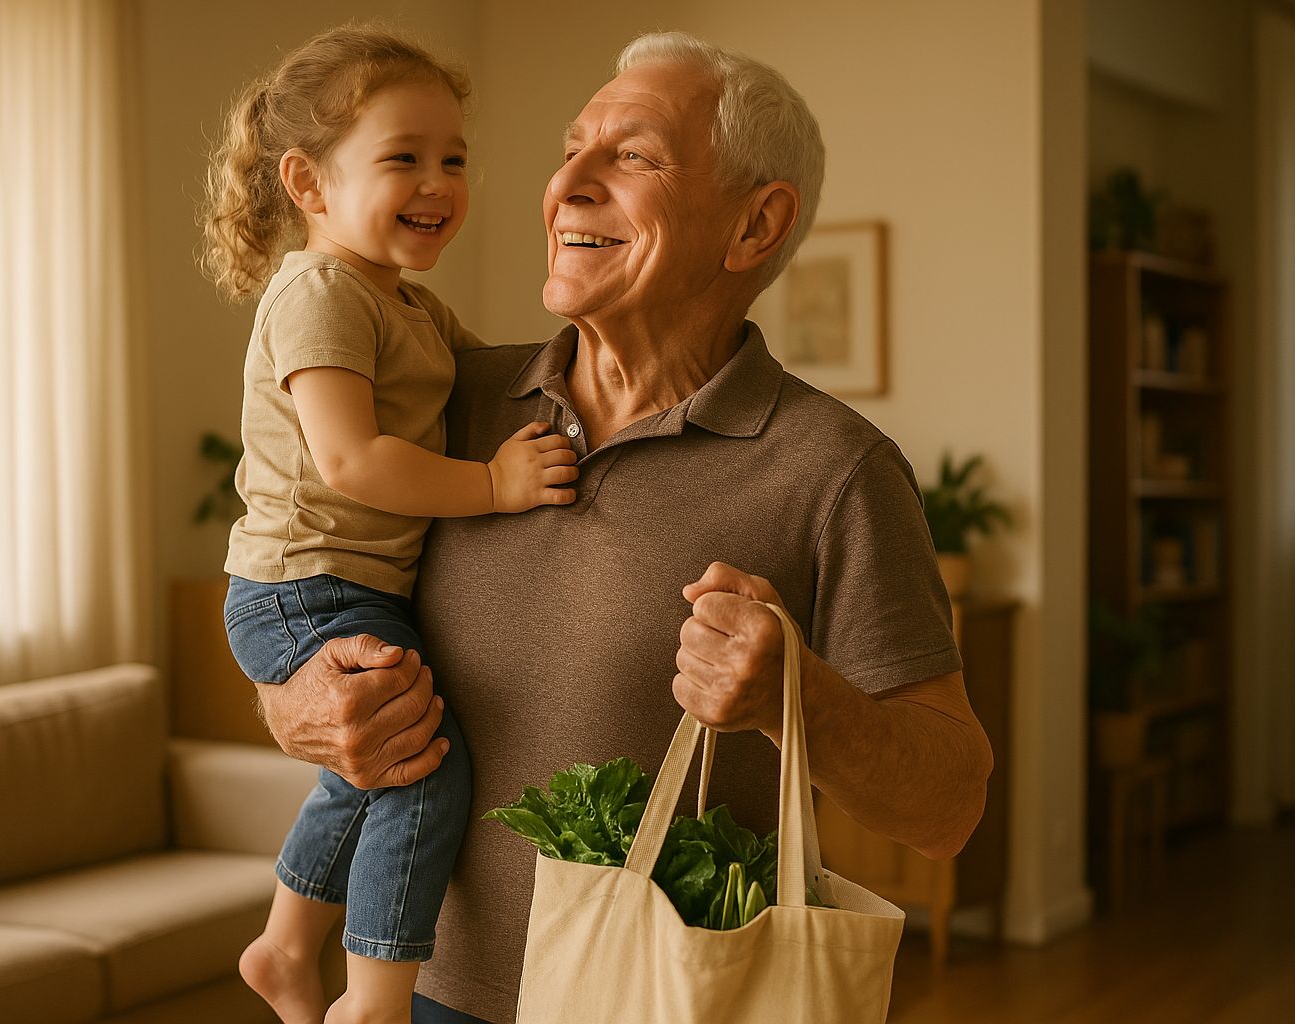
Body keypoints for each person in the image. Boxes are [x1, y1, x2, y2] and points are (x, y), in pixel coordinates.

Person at [254, 30, 995, 1024]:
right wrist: (298, 704)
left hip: (662, 1004)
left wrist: (797, 696)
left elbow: (948, 806)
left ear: (754, 225)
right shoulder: (445, 404)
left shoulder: (835, 470)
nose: (568, 185)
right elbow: (296, 590)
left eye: (632, 154)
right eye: (570, 151)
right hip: (417, 999)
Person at [201, 25, 577, 1024]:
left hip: (343, 586)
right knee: (423, 770)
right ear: (309, 184)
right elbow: (352, 459)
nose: (438, 179)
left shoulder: (405, 304)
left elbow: (501, 372)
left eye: (453, 157)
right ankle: (372, 1002)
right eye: (402, 156)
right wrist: (495, 486)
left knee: (372, 764)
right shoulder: (322, 292)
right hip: (299, 586)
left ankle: (284, 949)